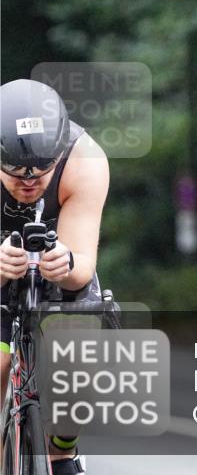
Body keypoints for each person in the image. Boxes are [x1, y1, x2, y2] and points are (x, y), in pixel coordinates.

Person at [0, 79, 110, 475]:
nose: (28, 181)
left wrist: (63, 262)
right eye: (14, 171)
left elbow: (82, 265)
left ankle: (63, 449)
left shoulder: (85, 160)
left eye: (43, 169)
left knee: (76, 360)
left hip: (59, 264)